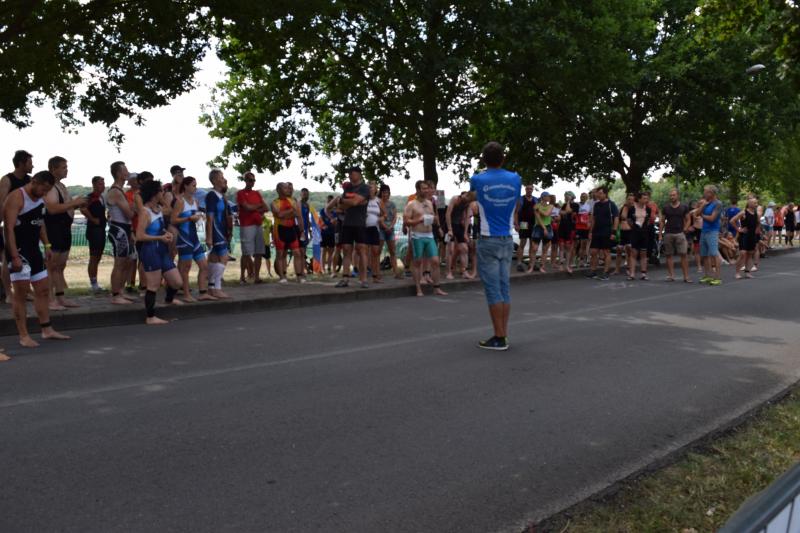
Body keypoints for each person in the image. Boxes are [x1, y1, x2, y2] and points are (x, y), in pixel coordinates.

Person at [4, 170, 70, 349]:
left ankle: (46, 329)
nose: (44, 193)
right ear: (34, 182)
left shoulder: (40, 198)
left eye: (47, 191)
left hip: (34, 250)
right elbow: (8, 229)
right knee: (21, 293)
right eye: (43, 189)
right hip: (18, 251)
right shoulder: (16, 197)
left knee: (43, 290)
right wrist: (14, 257)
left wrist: (47, 245)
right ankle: (23, 335)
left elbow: (40, 223)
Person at [466, 142, 520, 351]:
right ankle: (503, 334)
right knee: (504, 288)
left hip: (488, 238)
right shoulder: (515, 179)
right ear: (503, 158)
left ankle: (499, 337)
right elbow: (516, 204)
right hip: (507, 237)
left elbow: (471, 198)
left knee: (493, 290)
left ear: (483, 159)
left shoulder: (478, 179)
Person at [136, 180, 183, 324]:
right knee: (153, 285)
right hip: (150, 251)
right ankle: (150, 317)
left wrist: (165, 233)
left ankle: (168, 299)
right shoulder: (145, 212)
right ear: (154, 193)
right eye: (160, 191)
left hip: (162, 250)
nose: (163, 193)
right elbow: (140, 236)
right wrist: (160, 237)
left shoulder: (158, 209)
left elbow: (158, 226)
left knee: (177, 282)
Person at [43, 156, 87, 310]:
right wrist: (74, 203)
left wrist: (77, 204)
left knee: (60, 265)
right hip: (54, 228)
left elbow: (65, 206)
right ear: (53, 169)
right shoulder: (50, 187)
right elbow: (52, 209)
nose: (66, 170)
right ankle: (49, 300)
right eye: (63, 167)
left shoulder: (61, 185)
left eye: (66, 167)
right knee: (51, 265)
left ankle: (60, 297)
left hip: (64, 229)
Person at [173, 176, 215, 302]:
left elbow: (195, 217)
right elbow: (173, 220)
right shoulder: (180, 201)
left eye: (196, 185)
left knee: (204, 266)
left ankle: (203, 293)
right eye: (193, 185)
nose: (195, 188)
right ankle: (186, 294)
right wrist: (188, 218)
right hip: (184, 239)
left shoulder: (195, 201)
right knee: (185, 268)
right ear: (185, 186)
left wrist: (200, 217)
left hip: (195, 238)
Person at [0, 150, 34, 303]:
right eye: (30, 162)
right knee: (8, 259)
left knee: (28, 258)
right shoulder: (7, 180)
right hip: (12, 225)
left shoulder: (30, 180)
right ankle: (9, 293)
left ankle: (25, 291)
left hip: (28, 226)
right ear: (21, 163)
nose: (32, 166)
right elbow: (1, 203)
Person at [404, 180, 447, 297]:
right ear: (418, 190)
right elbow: (406, 221)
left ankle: (437, 288)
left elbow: (433, 216)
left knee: (435, 261)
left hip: (429, 235)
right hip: (417, 236)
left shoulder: (429, 202)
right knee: (417, 262)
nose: (427, 190)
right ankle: (418, 289)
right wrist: (419, 220)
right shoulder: (411, 204)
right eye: (424, 188)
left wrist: (436, 221)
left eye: (427, 188)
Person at [106, 161, 137, 304]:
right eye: (125, 170)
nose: (128, 172)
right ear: (119, 173)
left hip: (124, 229)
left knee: (128, 261)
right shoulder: (116, 192)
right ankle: (115, 295)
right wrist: (135, 206)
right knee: (120, 263)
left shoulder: (120, 191)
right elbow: (129, 214)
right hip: (119, 229)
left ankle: (121, 291)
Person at [335, 167, 370, 289]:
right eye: (349, 174)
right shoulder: (348, 188)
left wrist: (345, 201)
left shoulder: (364, 188)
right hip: (347, 223)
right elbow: (340, 207)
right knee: (346, 250)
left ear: (359, 174)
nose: (350, 176)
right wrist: (348, 201)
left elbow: (353, 203)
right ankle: (345, 278)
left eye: (352, 173)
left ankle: (364, 279)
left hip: (360, 223)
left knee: (361, 250)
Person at [205, 169, 233, 298]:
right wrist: (209, 236)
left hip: (222, 230)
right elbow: (209, 217)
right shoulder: (212, 195)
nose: (224, 179)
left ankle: (211, 287)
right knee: (224, 257)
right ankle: (217, 287)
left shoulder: (221, 196)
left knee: (215, 258)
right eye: (221, 177)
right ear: (215, 180)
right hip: (216, 230)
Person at [271, 182, 305, 283]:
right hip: (279, 229)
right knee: (280, 254)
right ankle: (282, 276)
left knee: (297, 252)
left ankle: (299, 276)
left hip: (291, 228)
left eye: (288, 188)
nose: (288, 190)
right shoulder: (274, 202)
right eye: (285, 188)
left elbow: (297, 214)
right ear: (279, 190)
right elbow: (279, 215)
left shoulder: (292, 201)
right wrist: (291, 211)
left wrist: (302, 231)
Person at [236, 171, 267, 284]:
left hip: (258, 225)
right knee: (246, 252)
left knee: (259, 252)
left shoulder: (257, 193)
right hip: (246, 225)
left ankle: (256, 277)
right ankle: (242, 277)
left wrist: (254, 207)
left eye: (254, 180)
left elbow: (266, 207)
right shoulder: (240, 193)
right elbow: (247, 207)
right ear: (245, 180)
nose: (252, 182)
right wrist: (258, 207)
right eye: (250, 180)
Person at [586, 186, 619, 281]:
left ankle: (606, 272)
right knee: (593, 252)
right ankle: (593, 271)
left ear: (605, 194)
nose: (598, 195)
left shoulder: (611, 204)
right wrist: (591, 231)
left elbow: (616, 218)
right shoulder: (596, 205)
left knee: (606, 252)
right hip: (596, 232)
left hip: (607, 231)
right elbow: (593, 219)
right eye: (598, 193)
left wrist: (613, 232)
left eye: (600, 193)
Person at [80, 176, 107, 292]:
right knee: (94, 257)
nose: (103, 186)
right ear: (94, 185)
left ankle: (95, 281)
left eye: (103, 184)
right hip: (94, 230)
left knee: (98, 256)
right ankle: (93, 283)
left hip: (101, 229)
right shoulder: (90, 197)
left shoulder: (101, 197)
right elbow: (82, 208)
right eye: (100, 184)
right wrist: (92, 218)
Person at [694, 185, 724, 286]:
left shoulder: (718, 204)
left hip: (712, 231)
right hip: (704, 231)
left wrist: (702, 215)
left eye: (706, 192)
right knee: (704, 255)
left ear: (711, 193)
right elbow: (696, 213)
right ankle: (708, 275)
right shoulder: (706, 203)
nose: (704, 193)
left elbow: (712, 218)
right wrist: (703, 205)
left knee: (714, 254)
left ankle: (717, 277)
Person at [660, 188, 692, 283]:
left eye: (674, 195)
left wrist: (685, 228)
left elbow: (688, 219)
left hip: (680, 233)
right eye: (670, 195)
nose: (672, 197)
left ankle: (686, 276)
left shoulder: (684, 207)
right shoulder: (666, 207)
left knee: (683, 255)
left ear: (678, 195)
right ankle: (671, 276)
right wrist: (660, 234)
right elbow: (662, 221)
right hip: (668, 233)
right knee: (669, 255)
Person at [621, 192, 653, 280]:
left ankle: (643, 273)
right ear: (639, 199)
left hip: (644, 233)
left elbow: (648, 221)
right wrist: (634, 227)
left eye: (647, 198)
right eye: (644, 198)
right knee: (633, 253)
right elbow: (628, 220)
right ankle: (632, 274)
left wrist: (644, 228)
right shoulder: (632, 209)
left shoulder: (648, 209)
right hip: (635, 233)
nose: (646, 200)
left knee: (643, 253)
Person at [730, 198, 759, 279]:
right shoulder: (744, 212)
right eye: (754, 203)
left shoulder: (756, 213)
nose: (756, 204)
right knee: (743, 253)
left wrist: (757, 230)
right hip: (744, 236)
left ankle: (747, 272)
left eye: (756, 203)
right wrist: (739, 229)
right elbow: (732, 221)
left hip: (752, 236)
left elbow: (758, 223)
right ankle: (737, 273)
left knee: (750, 254)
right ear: (749, 204)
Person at [378, 185, 402, 279]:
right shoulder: (378, 203)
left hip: (391, 230)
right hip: (381, 229)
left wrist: (391, 226)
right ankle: (377, 272)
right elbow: (379, 217)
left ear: (389, 193)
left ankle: (396, 272)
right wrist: (385, 226)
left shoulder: (392, 204)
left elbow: (395, 217)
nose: (385, 194)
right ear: (381, 193)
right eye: (384, 192)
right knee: (378, 251)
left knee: (393, 251)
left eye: (387, 193)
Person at [446, 191, 471, 279]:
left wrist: (465, 233)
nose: (466, 199)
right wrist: (449, 229)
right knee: (450, 249)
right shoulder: (455, 199)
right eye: (465, 196)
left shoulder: (468, 202)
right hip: (450, 224)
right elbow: (448, 214)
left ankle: (464, 271)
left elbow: (467, 217)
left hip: (459, 225)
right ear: (462, 195)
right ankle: (449, 272)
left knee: (464, 248)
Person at [365, 183, 385, 283]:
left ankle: (375, 275)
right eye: (368, 187)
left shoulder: (378, 201)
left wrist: (381, 218)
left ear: (375, 189)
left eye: (371, 187)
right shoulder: (364, 200)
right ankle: (364, 276)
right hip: (364, 228)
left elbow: (384, 214)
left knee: (375, 252)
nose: (370, 189)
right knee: (364, 253)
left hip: (374, 229)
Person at [514, 185, 536, 272]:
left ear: (532, 190)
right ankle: (519, 263)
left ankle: (531, 264)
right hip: (523, 223)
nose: (529, 190)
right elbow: (516, 212)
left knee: (532, 244)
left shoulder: (535, 200)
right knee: (522, 243)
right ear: (525, 189)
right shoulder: (521, 199)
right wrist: (516, 224)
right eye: (528, 189)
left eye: (531, 189)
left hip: (533, 224)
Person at [557, 192, 579, 274]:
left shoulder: (575, 205)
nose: (565, 197)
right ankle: (561, 264)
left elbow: (568, 211)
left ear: (572, 197)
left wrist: (568, 203)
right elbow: (560, 213)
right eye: (565, 196)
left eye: (567, 196)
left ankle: (567, 265)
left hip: (570, 228)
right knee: (561, 246)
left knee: (568, 247)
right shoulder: (564, 205)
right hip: (562, 227)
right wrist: (565, 211)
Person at [531, 193, 553, 273]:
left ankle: (542, 266)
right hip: (538, 227)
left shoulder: (550, 206)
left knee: (545, 249)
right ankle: (531, 266)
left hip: (548, 227)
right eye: (547, 196)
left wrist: (538, 210)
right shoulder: (536, 205)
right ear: (543, 197)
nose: (549, 197)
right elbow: (538, 218)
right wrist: (544, 228)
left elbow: (546, 214)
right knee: (534, 249)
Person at [614, 193, 634, 276]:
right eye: (629, 199)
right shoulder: (623, 208)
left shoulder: (634, 209)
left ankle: (629, 269)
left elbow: (631, 221)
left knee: (629, 251)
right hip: (622, 232)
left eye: (632, 200)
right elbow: (619, 218)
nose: (630, 201)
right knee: (619, 251)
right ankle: (617, 269)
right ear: (626, 200)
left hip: (630, 233)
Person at [575, 192, 593, 268]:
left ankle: (582, 261)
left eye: (585, 196)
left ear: (587, 198)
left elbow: (590, 216)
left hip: (585, 227)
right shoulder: (577, 205)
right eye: (582, 196)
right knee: (576, 244)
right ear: (580, 197)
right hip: (577, 227)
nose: (583, 198)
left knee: (584, 244)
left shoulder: (588, 206)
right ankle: (575, 260)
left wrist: (589, 224)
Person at [320, 195, 337, 275]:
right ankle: (322, 268)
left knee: (331, 251)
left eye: (331, 201)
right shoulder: (322, 211)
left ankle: (329, 268)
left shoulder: (335, 212)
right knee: (323, 251)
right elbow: (320, 221)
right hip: (324, 233)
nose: (329, 203)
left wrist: (333, 223)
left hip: (332, 233)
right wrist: (324, 225)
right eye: (328, 201)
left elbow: (335, 223)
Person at [261, 210, 275, 278]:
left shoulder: (269, 221)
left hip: (266, 243)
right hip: (257, 244)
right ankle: (254, 273)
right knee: (257, 259)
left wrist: (273, 240)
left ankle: (269, 272)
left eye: (261, 213)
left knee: (267, 258)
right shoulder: (256, 222)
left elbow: (272, 232)